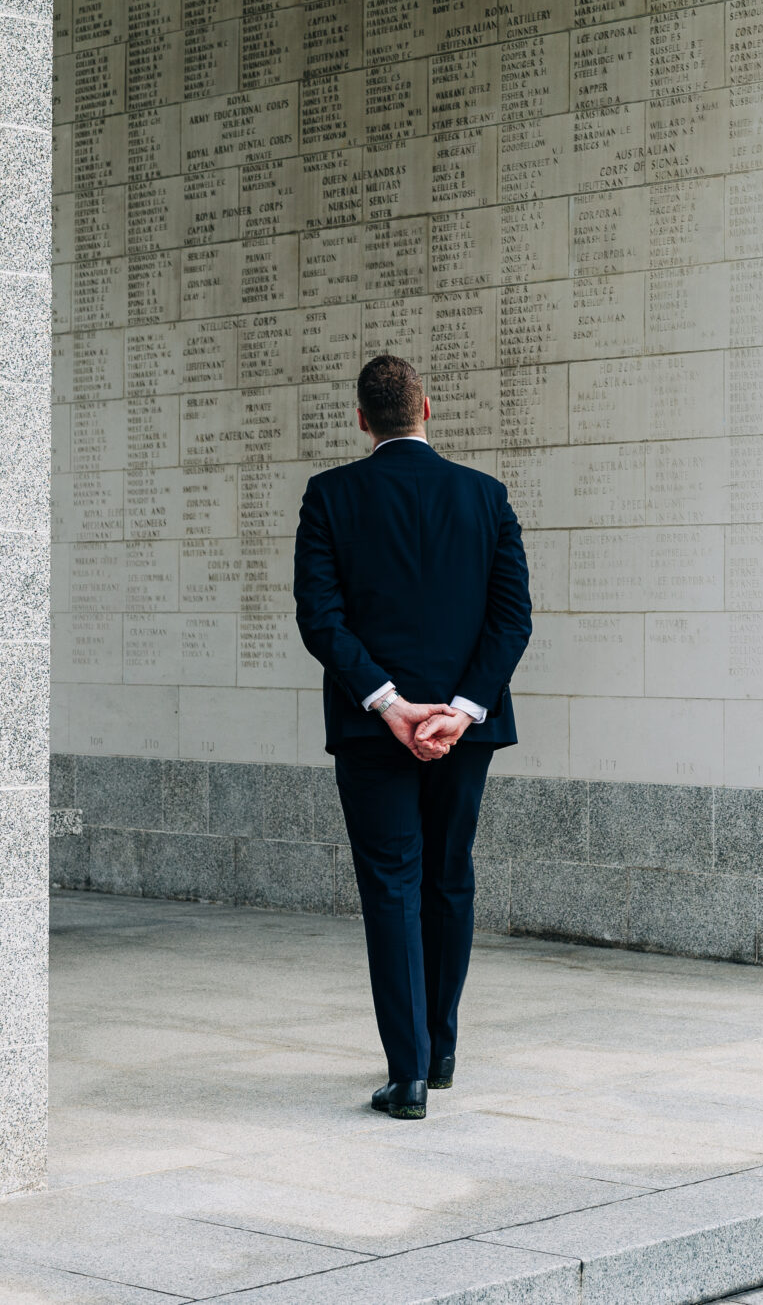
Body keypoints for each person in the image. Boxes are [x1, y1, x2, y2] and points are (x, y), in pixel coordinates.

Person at [292, 354, 531, 1119]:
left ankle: (411, 1074)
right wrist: (461, 709)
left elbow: (320, 617)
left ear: (362, 418)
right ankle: (443, 1048)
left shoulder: (330, 496)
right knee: (449, 876)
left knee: (394, 887)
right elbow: (512, 618)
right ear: (428, 407)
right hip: (466, 732)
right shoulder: (486, 497)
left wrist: (390, 705)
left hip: (373, 732)